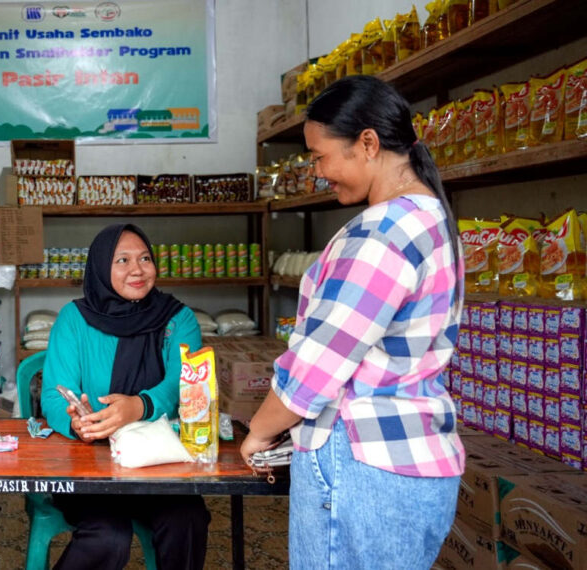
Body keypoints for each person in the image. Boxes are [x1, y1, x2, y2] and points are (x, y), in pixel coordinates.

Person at [239, 75, 465, 569]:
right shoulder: (432, 218)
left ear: (367, 143)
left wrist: (259, 431)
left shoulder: (384, 230)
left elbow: (318, 365)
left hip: (362, 467)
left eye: (320, 157)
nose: (318, 172)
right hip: (411, 458)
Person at [41, 223, 211, 570]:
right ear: (101, 267)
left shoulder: (178, 319)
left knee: (187, 520)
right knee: (107, 535)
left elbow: (185, 385)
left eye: (145, 258)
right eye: (122, 260)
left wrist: (139, 406)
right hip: (92, 464)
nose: (137, 269)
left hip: (159, 460)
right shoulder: (74, 319)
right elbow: (53, 394)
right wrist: (77, 422)